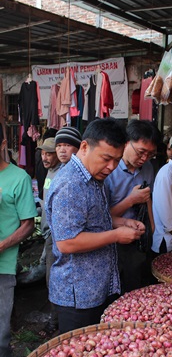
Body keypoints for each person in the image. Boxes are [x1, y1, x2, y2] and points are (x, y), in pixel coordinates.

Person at [46, 118, 145, 334]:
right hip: (78, 296)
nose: (111, 167)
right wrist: (116, 235)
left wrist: (123, 222)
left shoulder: (93, 178)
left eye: (117, 160)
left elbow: (94, 219)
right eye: (106, 158)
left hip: (96, 288)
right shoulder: (71, 185)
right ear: (84, 147)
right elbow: (67, 242)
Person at [0, 125, 37, 357]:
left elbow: (28, 224)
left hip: (1, 268)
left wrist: (1, 245)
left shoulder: (18, 178)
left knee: (0, 337)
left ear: (2, 142)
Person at [104, 119, 161, 293]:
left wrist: (152, 227)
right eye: (141, 152)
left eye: (150, 155)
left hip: (136, 239)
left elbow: (147, 198)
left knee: (134, 287)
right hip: (110, 239)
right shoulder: (108, 170)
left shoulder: (148, 168)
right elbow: (101, 216)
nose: (144, 159)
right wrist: (131, 200)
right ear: (127, 143)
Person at [38, 128, 82, 336]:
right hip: (50, 235)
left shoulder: (68, 176)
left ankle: (56, 323)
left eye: (65, 146)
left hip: (62, 237)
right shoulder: (50, 171)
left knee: (58, 280)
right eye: (58, 146)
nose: (47, 156)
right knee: (52, 280)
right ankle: (56, 321)